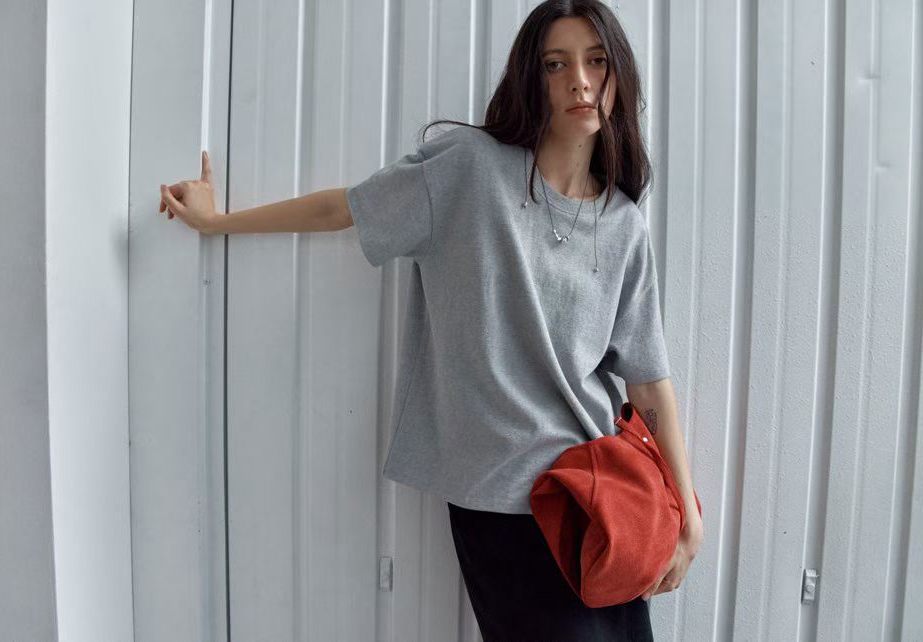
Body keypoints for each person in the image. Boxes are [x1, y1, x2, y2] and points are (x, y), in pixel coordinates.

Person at [159, 1, 704, 639]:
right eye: (556, 65)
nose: (579, 82)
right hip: (503, 501)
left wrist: (687, 512)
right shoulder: (471, 168)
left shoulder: (623, 224)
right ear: (533, 80)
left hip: (602, 497)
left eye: (597, 61)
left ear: (619, 75)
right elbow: (346, 209)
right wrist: (217, 221)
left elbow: (648, 380)